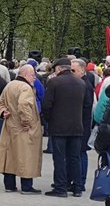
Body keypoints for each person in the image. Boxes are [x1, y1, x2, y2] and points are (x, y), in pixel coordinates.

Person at [0, 64, 43, 194]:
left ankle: (9, 185)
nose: (34, 78)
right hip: (23, 128)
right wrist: (27, 121)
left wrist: (3, 112)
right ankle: (26, 186)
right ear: (26, 74)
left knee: (10, 156)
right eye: (33, 75)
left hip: (10, 126)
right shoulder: (26, 87)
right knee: (26, 156)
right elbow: (23, 104)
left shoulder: (10, 85)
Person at [42, 58, 85, 198]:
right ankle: (77, 187)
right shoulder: (81, 82)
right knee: (75, 157)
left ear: (59, 69)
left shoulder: (54, 82)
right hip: (77, 126)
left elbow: (47, 105)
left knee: (60, 158)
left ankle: (60, 187)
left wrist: (49, 121)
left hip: (59, 127)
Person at [70, 58, 94, 193]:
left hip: (82, 123)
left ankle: (81, 181)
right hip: (79, 123)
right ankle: (76, 180)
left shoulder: (85, 85)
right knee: (77, 153)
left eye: (74, 70)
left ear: (82, 70)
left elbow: (87, 106)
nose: (72, 73)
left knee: (81, 153)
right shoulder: (80, 83)